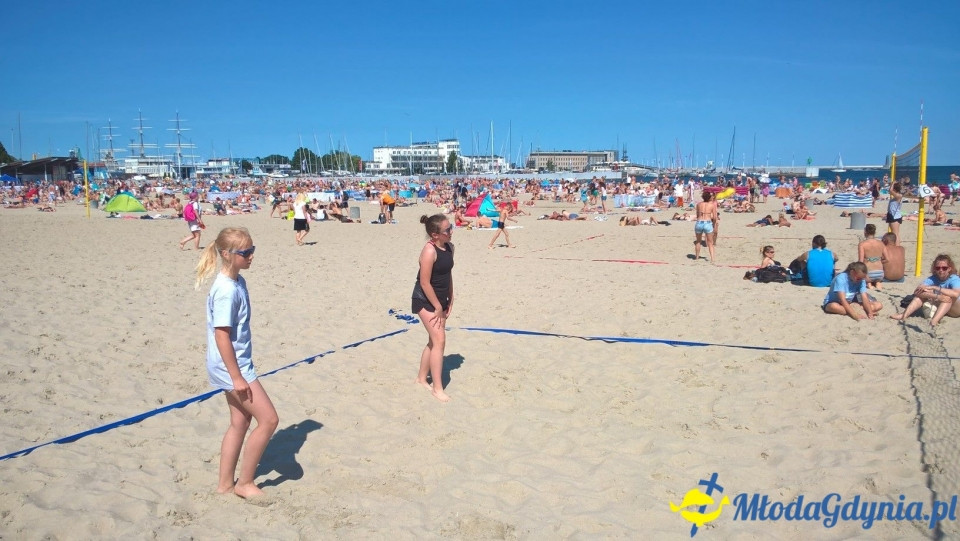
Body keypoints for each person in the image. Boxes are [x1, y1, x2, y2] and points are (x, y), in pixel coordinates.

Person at [195, 227, 278, 498]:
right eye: (246, 252)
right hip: (233, 367)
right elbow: (222, 337)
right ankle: (244, 483)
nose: (252, 256)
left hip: (235, 364)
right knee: (268, 420)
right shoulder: (226, 291)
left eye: (253, 250)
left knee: (239, 423)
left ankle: (224, 485)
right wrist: (237, 377)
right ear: (227, 255)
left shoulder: (238, 281)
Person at [412, 214, 455, 402]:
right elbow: (424, 282)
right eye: (447, 230)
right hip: (425, 299)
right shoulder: (429, 251)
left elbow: (448, 274)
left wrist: (451, 298)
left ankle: (421, 378)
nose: (451, 232)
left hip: (441, 299)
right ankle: (437, 388)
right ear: (435, 234)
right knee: (440, 341)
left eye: (451, 227)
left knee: (433, 340)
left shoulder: (449, 247)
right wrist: (437, 306)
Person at [891, 254, 960, 326]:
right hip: (942, 306)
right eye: (938, 268)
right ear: (934, 269)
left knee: (947, 297)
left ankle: (934, 321)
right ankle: (904, 315)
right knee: (922, 293)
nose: (941, 270)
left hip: (956, 309)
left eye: (944, 268)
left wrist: (935, 288)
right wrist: (936, 296)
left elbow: (956, 294)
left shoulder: (954, 279)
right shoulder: (933, 278)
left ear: (949, 269)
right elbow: (916, 291)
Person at [858, 224, 885, 289]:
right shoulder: (881, 243)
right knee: (878, 281)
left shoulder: (862, 244)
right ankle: (878, 283)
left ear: (865, 232)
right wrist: (878, 260)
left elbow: (861, 261)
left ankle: (869, 284)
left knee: (867, 280)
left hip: (868, 274)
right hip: (880, 273)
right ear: (875, 232)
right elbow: (887, 258)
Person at [694, 191, 717, 263]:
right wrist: (713, 224)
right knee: (710, 243)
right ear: (709, 198)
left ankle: (697, 257)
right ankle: (712, 259)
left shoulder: (698, 204)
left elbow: (697, 215)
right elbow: (715, 217)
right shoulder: (712, 205)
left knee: (698, 241)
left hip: (699, 222)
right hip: (707, 222)